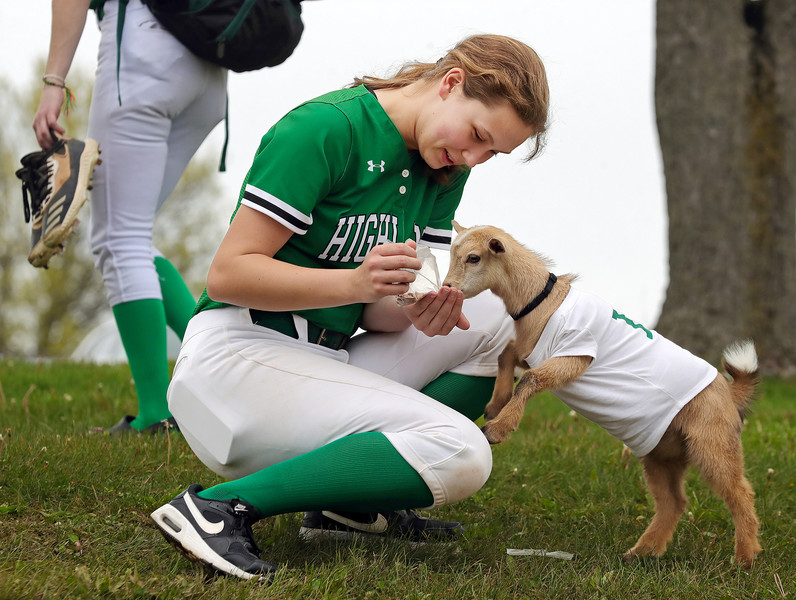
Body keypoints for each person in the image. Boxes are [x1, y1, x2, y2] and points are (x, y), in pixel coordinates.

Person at [150, 33, 550, 580]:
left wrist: (413, 311)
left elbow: (377, 310)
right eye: (478, 135)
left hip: (322, 363)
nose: (474, 158)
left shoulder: (444, 168)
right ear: (451, 83)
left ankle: (351, 506)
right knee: (461, 453)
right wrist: (353, 284)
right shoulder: (326, 128)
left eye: (491, 153)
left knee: (497, 318)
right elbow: (229, 273)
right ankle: (220, 509)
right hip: (236, 362)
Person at [32, 0, 227, 433]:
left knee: (119, 240)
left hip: (144, 55)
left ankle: (158, 415)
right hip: (209, 71)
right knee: (129, 237)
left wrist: (53, 83)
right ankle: (221, 376)